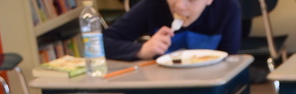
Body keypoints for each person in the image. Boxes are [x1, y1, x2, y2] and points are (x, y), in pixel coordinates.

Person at [103, 0, 242, 61]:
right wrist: (141, 50)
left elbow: (230, 61)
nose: (180, 6)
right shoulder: (153, 5)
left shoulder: (227, 8)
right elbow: (101, 43)